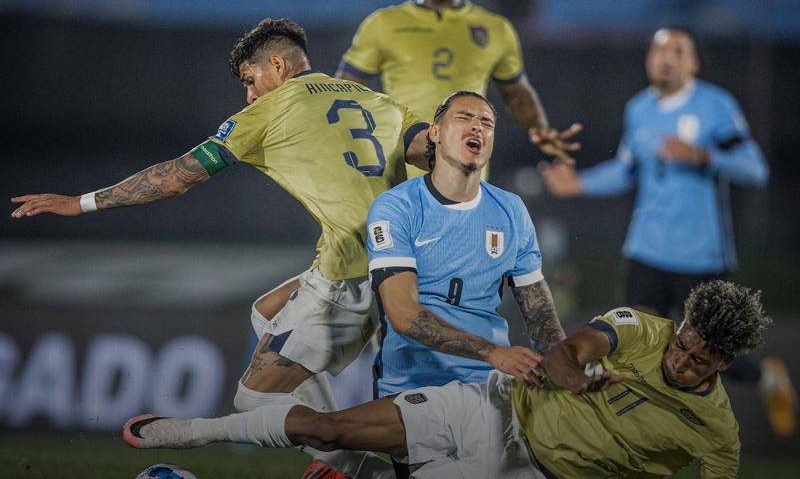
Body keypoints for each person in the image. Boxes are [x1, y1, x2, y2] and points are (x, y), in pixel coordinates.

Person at [10, 18, 431, 477]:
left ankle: (349, 465)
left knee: (255, 399)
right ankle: (349, 461)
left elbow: (174, 179)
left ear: (276, 64)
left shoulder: (268, 113)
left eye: (250, 80)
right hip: (405, 264)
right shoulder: (377, 101)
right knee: (268, 312)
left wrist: (80, 203)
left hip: (351, 273)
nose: (249, 95)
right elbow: (433, 154)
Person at [123, 279, 769, 479]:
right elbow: (574, 344)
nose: (682, 361)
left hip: (527, 474)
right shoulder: (645, 330)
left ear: (725, 363)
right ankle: (188, 432)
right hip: (496, 405)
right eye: (684, 345)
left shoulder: (715, 437)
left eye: (700, 361)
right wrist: (572, 374)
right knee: (332, 429)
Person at [538, 25, 796, 437]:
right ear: (648, 60)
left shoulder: (715, 106)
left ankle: (766, 376)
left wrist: (703, 154)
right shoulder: (639, 108)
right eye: (659, 50)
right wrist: (579, 183)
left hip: (701, 255)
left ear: (693, 63)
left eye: (677, 50)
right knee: (639, 344)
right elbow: (627, 169)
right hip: (646, 249)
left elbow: (754, 169)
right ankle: (638, 435)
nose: (666, 58)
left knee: (706, 352)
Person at [336, 0, 581, 179]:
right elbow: (344, 90)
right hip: (402, 182)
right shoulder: (383, 24)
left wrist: (538, 128)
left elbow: (517, 94)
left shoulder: (495, 29)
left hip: (467, 183)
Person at [367, 91, 564, 401]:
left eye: (486, 123)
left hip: (490, 389)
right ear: (435, 133)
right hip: (412, 388)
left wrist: (566, 367)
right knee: (334, 436)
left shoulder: (510, 209)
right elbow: (403, 314)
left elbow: (540, 314)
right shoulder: (396, 207)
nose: (477, 127)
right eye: (464, 118)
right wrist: (492, 352)